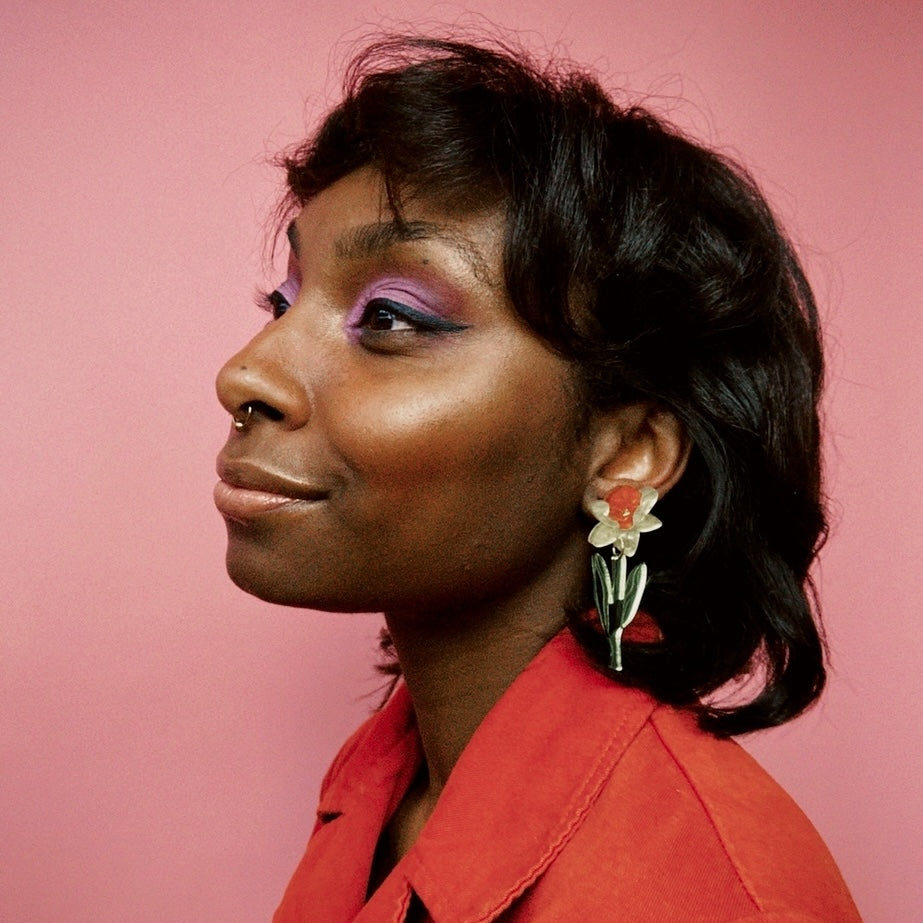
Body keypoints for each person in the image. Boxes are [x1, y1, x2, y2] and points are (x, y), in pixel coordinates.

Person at [214, 35, 861, 922]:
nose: (245, 374)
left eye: (391, 317)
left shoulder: (701, 891)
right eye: (283, 304)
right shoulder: (384, 785)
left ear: (627, 452)